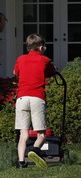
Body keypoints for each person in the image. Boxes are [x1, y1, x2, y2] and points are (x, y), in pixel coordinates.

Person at [14, 33, 56, 169]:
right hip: (37, 97)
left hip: (21, 98)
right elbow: (51, 71)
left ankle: (21, 162)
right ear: (40, 47)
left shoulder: (20, 59)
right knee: (41, 134)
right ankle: (35, 150)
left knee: (23, 134)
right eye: (43, 46)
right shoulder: (44, 60)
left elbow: (16, 72)